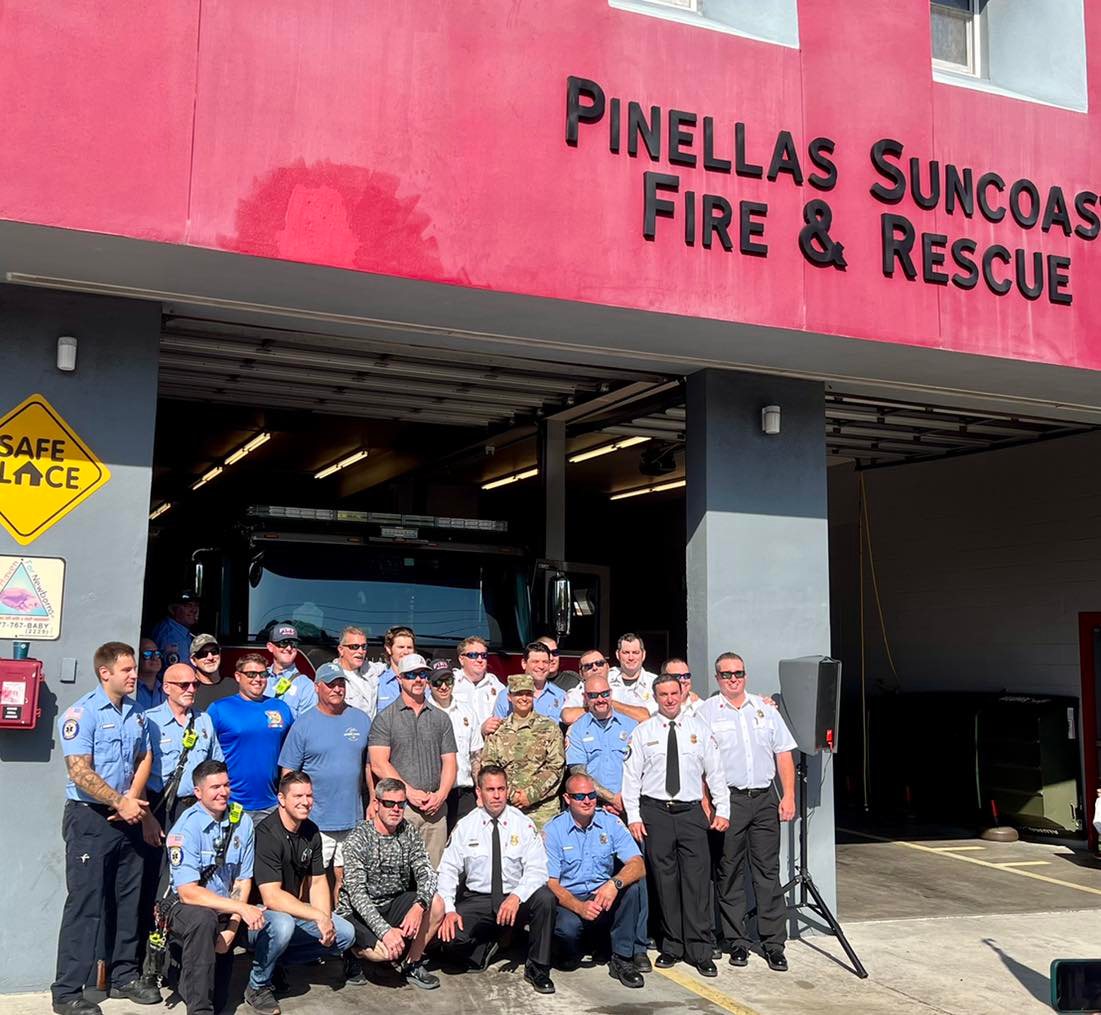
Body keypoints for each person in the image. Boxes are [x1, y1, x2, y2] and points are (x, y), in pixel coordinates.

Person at [52, 641, 160, 1015]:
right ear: (105, 673)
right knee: (86, 904)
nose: (135, 675)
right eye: (127, 669)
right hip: (90, 819)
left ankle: (123, 975)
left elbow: (144, 755)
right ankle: (67, 991)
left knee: (128, 900)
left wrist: (132, 800)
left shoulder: (137, 713)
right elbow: (79, 771)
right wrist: (119, 801)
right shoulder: (82, 714)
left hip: (127, 816)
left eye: (134, 668)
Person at [622, 672, 729, 977]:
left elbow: (716, 773)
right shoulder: (643, 732)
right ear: (655, 697)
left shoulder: (700, 729)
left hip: (691, 813)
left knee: (697, 882)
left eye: (674, 693)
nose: (669, 699)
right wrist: (634, 816)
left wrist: (723, 809)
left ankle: (700, 949)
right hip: (655, 812)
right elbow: (631, 777)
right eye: (663, 695)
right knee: (664, 882)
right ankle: (671, 945)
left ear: (682, 694)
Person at [700, 652, 797, 972]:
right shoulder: (706, 712)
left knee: (767, 872)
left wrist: (788, 796)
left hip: (765, 799)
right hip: (730, 801)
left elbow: (783, 754)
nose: (733, 679)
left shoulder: (765, 709)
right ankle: (737, 942)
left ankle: (773, 944)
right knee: (729, 872)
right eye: (726, 674)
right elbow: (699, 760)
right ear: (717, 678)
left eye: (738, 673)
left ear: (746, 675)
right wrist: (706, 802)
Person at [437, 765, 557, 994]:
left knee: (545, 899)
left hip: (515, 897)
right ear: (479, 792)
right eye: (490, 790)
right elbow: (448, 870)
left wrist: (516, 896)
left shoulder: (522, 824)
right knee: (450, 940)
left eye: (501, 789)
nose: (497, 795)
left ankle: (538, 968)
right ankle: (490, 943)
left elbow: (538, 870)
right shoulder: (466, 826)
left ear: (507, 790)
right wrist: (449, 910)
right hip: (479, 899)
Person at [249, 772, 357, 1010]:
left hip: (290, 913)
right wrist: (317, 915)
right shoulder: (267, 834)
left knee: (345, 934)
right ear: (281, 799)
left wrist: (325, 920)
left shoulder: (311, 831)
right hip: (258, 917)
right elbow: (271, 896)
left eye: (309, 795)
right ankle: (258, 985)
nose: (305, 801)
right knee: (283, 925)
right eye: (298, 796)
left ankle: (275, 962)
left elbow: (318, 882)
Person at [165, 760, 262, 1015]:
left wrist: (231, 928)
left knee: (219, 1000)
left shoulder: (242, 822)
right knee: (203, 919)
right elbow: (187, 892)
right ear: (198, 792)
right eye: (215, 787)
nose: (223, 792)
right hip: (185, 909)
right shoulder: (186, 828)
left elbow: (242, 880)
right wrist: (241, 909)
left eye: (226, 785)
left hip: (225, 912)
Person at [337, 777, 444, 990]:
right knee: (383, 954)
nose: (396, 809)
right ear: (376, 804)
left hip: (393, 903)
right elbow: (357, 895)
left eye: (400, 804)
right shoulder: (358, 838)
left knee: (436, 904)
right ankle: (352, 952)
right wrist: (385, 931)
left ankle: (411, 963)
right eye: (389, 803)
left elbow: (427, 873)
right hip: (358, 912)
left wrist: (419, 905)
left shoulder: (408, 831)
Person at [277, 661, 372, 901]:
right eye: (330, 684)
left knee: (347, 879)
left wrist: (372, 799)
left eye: (341, 684)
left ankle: (342, 920)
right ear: (317, 687)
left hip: (352, 818)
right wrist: (291, 812)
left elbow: (369, 766)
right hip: (315, 821)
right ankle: (306, 920)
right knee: (310, 879)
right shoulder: (303, 724)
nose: (337, 689)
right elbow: (288, 773)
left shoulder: (361, 719)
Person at [543, 773, 647, 986]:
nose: (587, 801)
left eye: (591, 795)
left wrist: (614, 884)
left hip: (601, 894)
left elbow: (638, 864)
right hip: (570, 900)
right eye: (579, 796)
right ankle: (580, 948)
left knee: (632, 889)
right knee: (567, 933)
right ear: (567, 798)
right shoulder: (553, 830)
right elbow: (551, 883)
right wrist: (580, 907)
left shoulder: (610, 822)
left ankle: (622, 959)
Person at [367, 653, 457, 865]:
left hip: (435, 810)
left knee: (433, 874)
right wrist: (408, 793)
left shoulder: (441, 718)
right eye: (410, 675)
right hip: (399, 809)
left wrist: (441, 795)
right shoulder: (384, 718)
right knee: (398, 873)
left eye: (422, 674)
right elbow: (378, 763)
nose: (417, 679)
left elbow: (450, 762)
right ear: (399, 679)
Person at [207, 654, 294, 823]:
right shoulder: (219, 709)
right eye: (251, 674)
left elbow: (293, 752)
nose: (258, 679)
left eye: (263, 674)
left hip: (272, 803)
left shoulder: (281, 708)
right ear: (238, 676)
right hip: (230, 802)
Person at [480, 673, 565, 829]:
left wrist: (530, 794)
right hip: (507, 808)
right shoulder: (498, 730)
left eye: (528, 694)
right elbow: (489, 766)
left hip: (543, 810)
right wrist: (512, 794)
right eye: (518, 694)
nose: (524, 698)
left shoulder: (549, 728)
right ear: (509, 697)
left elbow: (556, 766)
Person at [145, 663, 224, 828]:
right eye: (184, 685)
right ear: (166, 688)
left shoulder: (204, 720)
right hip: (161, 807)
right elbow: (136, 771)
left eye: (195, 684)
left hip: (197, 806)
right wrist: (147, 818)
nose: (191, 689)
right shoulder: (150, 721)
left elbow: (215, 765)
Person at [565, 672, 637, 818]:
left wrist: (626, 800)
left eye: (605, 694)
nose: (600, 699)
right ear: (585, 698)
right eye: (593, 695)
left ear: (611, 693)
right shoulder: (576, 730)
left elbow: (642, 769)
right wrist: (613, 799)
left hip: (631, 804)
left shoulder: (632, 726)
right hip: (593, 806)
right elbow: (579, 773)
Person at [425, 658, 484, 830]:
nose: (444, 687)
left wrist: (480, 791)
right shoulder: (423, 712)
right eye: (437, 682)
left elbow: (476, 756)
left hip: (465, 793)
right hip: (434, 793)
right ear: (429, 684)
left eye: (448, 680)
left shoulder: (467, 711)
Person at [561, 650, 651, 725]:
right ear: (581, 673)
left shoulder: (620, 688)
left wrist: (611, 704)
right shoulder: (577, 692)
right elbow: (567, 717)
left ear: (607, 667)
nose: (595, 668)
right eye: (588, 666)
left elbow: (643, 716)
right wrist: (598, 707)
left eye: (599, 663)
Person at [493, 642, 566, 723]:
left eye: (545, 662)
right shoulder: (506, 695)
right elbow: (496, 727)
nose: (541, 666)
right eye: (535, 661)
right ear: (524, 663)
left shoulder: (560, 696)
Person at [452, 635, 506, 736]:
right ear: (461, 659)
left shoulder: (497, 686)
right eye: (473, 655)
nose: (480, 659)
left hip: (489, 743)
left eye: (484, 655)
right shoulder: (451, 683)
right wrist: (480, 729)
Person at [263, 624, 317, 720]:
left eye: (293, 644)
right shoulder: (259, 677)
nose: (289, 648)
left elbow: (307, 723)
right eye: (283, 643)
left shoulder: (306, 685)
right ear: (270, 647)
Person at [334, 625, 386, 718]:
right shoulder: (331, 676)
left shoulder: (370, 669)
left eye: (364, 646)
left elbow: (392, 666)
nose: (361, 651)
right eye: (355, 646)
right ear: (341, 650)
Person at [375, 625, 417, 716]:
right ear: (388, 649)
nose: (406, 652)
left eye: (409, 647)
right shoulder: (378, 683)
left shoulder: (421, 682)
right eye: (401, 647)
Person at [151, 590, 199, 667]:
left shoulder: (181, 629)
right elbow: (181, 669)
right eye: (187, 605)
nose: (194, 610)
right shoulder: (169, 634)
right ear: (172, 609)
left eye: (196, 605)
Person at [135, 638, 166, 711]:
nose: (154, 658)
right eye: (148, 654)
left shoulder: (167, 689)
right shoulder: (130, 689)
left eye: (157, 653)